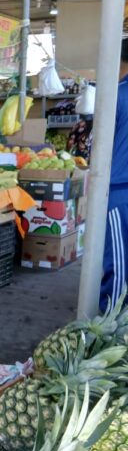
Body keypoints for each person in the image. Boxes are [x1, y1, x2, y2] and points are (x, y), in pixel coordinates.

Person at [101, 38, 128, 311]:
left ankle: (113, 316)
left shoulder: (117, 95)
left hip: (120, 189)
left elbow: (100, 147)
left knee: (119, 261)